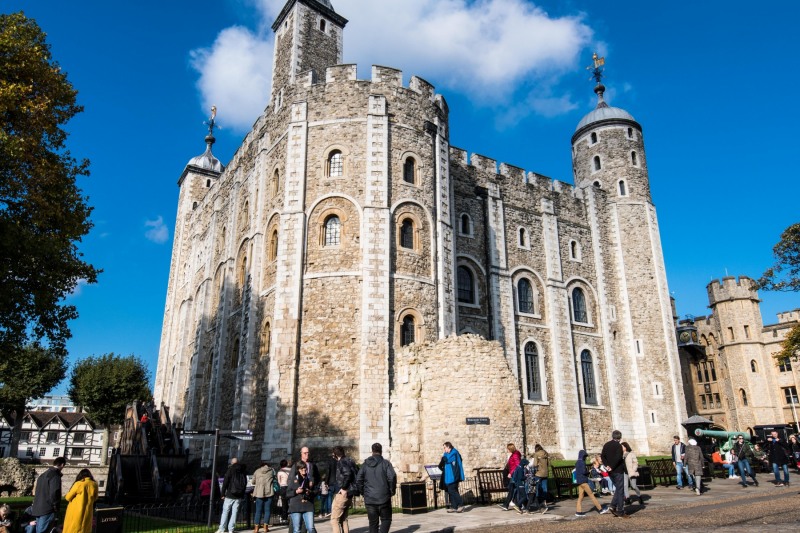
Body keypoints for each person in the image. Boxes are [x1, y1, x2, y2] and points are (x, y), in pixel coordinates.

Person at [356, 442, 396, 533]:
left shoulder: (365, 464)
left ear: (372, 451)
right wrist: (391, 490)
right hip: (384, 496)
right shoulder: (386, 463)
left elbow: (358, 479)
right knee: (386, 519)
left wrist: (364, 492)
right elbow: (392, 477)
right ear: (381, 451)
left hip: (370, 498)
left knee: (373, 523)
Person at [30, 456, 66, 533]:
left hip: (38, 506)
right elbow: (54, 492)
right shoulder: (55, 475)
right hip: (47, 508)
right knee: (43, 530)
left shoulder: (43, 475)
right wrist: (55, 505)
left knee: (39, 530)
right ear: (62, 465)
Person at [330, 446, 357, 533]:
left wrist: (343, 488)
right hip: (350, 493)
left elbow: (348, 474)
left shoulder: (341, 462)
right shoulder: (350, 460)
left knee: (334, 520)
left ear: (335, 454)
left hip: (343, 494)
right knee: (343, 519)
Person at [601, 430, 627, 518]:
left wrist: (607, 466)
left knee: (618, 489)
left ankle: (612, 506)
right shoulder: (619, 446)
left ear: (613, 436)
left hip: (610, 471)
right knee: (620, 490)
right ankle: (620, 511)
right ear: (620, 438)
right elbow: (618, 458)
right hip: (617, 470)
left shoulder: (606, 445)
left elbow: (602, 456)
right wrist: (612, 466)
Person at [217, 458, 247, 533]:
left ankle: (222, 529)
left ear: (232, 463)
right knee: (234, 513)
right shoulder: (243, 471)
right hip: (238, 495)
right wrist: (242, 494)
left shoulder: (230, 470)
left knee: (225, 512)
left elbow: (225, 482)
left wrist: (222, 493)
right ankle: (231, 529)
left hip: (230, 494)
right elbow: (245, 483)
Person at [63, 469, 99, 533]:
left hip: (76, 512)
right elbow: (95, 498)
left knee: (73, 529)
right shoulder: (94, 484)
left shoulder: (79, 484)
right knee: (85, 529)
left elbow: (68, 498)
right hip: (88, 512)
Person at [573, 450, 607, 517]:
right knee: (591, 495)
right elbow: (583, 472)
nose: (585, 458)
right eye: (585, 456)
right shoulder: (582, 462)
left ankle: (578, 511)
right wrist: (589, 472)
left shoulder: (577, 462)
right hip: (584, 481)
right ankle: (600, 509)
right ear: (583, 456)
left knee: (580, 497)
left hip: (579, 482)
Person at [287, 461, 315, 533]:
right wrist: (296, 491)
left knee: (311, 528)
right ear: (298, 469)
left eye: (305, 469)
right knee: (296, 529)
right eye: (302, 469)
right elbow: (287, 493)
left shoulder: (310, 479)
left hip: (308, 505)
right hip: (296, 506)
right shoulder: (293, 479)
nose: (304, 470)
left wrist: (309, 492)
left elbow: (316, 491)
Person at [252, 460, 276, 533]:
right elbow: (274, 479)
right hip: (269, 492)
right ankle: (265, 528)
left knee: (258, 510)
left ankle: (256, 528)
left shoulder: (257, 471)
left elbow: (253, 481)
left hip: (259, 492)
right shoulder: (271, 471)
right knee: (267, 510)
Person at [441, 442, 465, 513]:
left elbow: (447, 459)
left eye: (445, 447)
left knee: (453, 490)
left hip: (454, 475)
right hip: (449, 476)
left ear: (448, 447)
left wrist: (444, 457)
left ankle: (461, 505)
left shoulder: (454, 452)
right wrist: (444, 456)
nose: (444, 449)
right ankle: (454, 506)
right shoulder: (447, 453)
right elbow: (444, 457)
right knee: (450, 491)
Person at [498, 443, 522, 511]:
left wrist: (511, 473)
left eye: (508, 449)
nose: (507, 450)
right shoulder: (514, 455)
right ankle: (512, 504)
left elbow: (518, 465)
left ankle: (507, 505)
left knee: (512, 490)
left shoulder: (515, 455)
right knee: (513, 490)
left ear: (510, 449)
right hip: (514, 475)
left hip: (514, 475)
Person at [531, 444, 550, 513]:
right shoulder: (546, 453)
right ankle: (544, 501)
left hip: (539, 473)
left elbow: (535, 464)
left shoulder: (536, 454)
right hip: (545, 473)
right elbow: (548, 464)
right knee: (544, 488)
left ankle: (538, 502)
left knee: (537, 488)